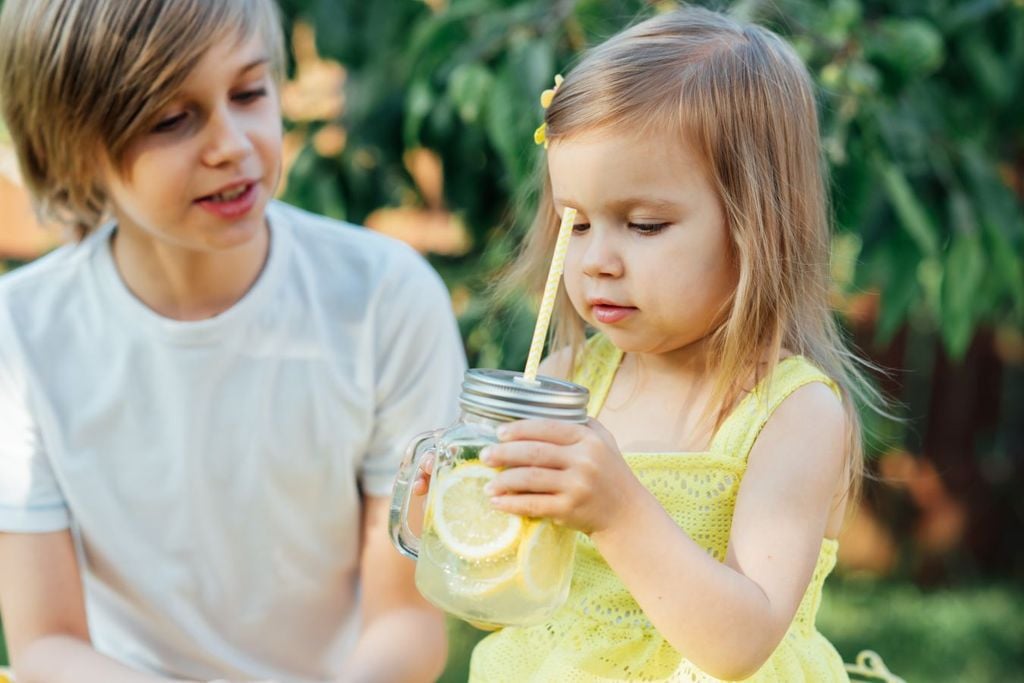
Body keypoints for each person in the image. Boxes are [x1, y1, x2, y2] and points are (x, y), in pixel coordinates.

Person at [0, 1, 465, 682]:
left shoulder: (386, 298)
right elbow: (45, 641)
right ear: (71, 149)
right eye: (170, 119)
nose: (233, 144)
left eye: (249, 92)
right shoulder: (20, 333)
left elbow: (408, 618)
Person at [460, 7, 901, 682]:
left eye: (642, 224)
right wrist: (462, 523)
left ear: (758, 226)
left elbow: (740, 643)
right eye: (576, 224)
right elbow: (505, 606)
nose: (597, 260)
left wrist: (619, 511)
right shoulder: (567, 378)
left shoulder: (793, 414)